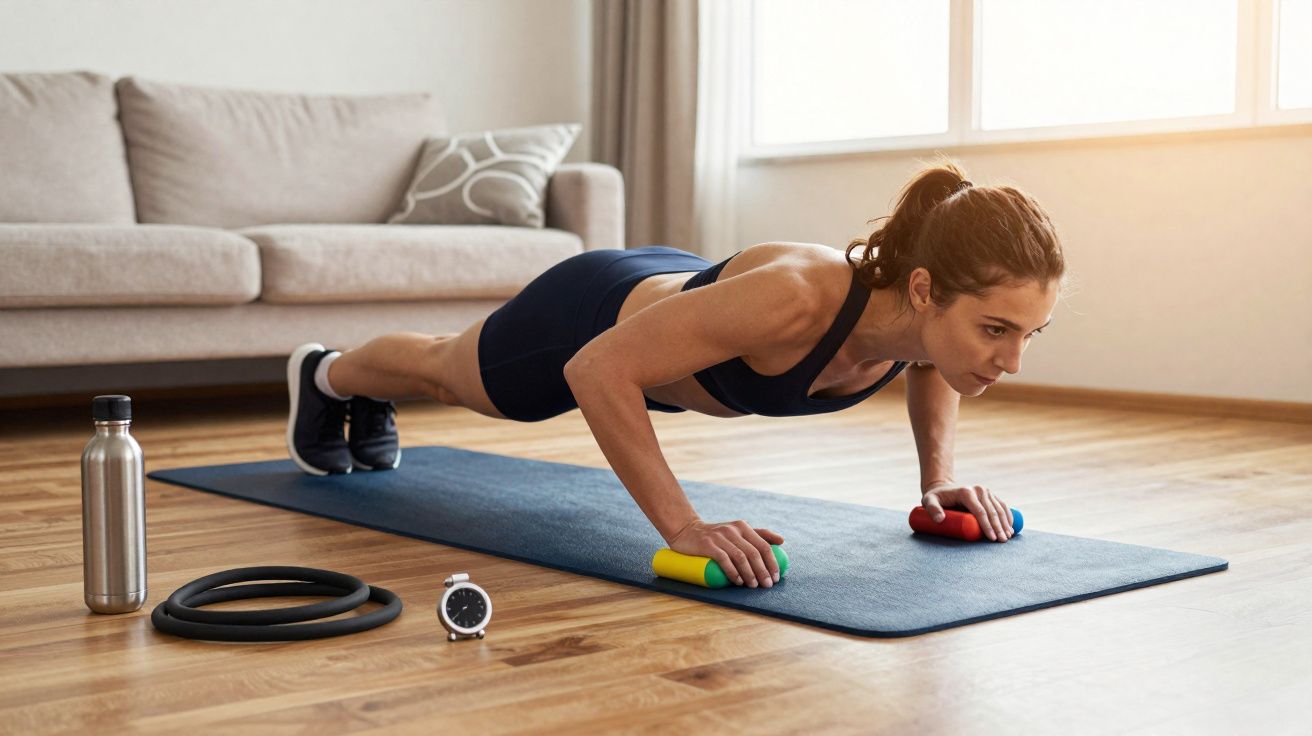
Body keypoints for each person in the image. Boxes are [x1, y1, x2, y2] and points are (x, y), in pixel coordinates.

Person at [285, 158, 1069, 591]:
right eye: (995, 331)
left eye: (1029, 333)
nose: (1011, 360)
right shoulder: (798, 301)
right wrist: (683, 529)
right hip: (591, 311)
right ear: (928, 289)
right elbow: (597, 369)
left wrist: (938, 483)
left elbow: (927, 356)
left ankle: (340, 383)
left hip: (685, 293)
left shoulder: (913, 317)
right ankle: (326, 377)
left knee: (454, 372)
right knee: (451, 374)